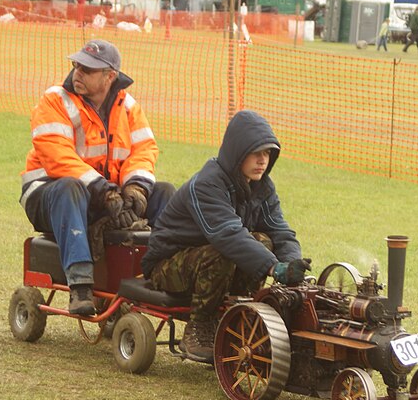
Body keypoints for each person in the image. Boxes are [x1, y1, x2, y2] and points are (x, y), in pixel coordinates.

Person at [19, 39, 174, 316]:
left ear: (109, 76)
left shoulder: (128, 107)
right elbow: (58, 157)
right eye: (76, 65)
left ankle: (163, 273)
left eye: (87, 69)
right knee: (70, 188)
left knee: (164, 192)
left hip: (102, 195)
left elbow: (144, 149)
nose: (78, 72)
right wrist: (104, 190)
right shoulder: (55, 100)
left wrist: (136, 189)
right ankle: (80, 286)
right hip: (49, 195)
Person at [141, 110, 309, 364]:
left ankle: (238, 316)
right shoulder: (207, 184)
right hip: (166, 265)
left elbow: (281, 231)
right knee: (224, 251)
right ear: (237, 152)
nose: (262, 160)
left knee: (263, 240)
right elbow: (228, 235)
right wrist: (275, 267)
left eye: (267, 154)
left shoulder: (262, 186)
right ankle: (198, 328)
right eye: (256, 153)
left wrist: (293, 266)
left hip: (209, 259)